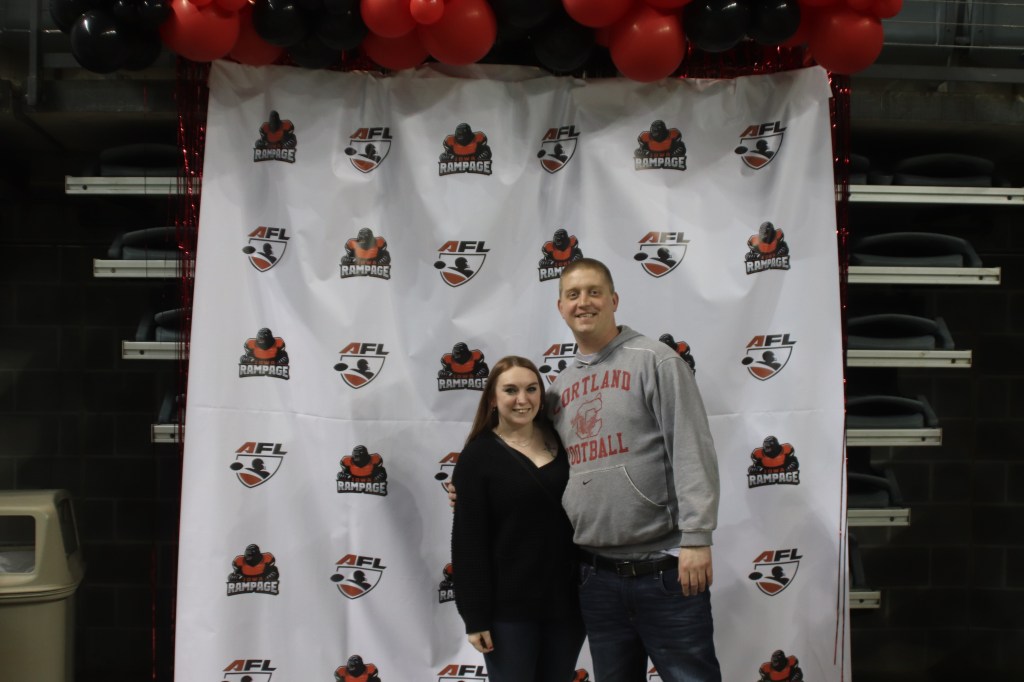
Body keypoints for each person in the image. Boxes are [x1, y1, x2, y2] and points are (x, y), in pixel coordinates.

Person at [550, 258, 722, 682]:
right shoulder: (558, 389)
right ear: (561, 307)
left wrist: (697, 537)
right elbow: (538, 466)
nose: (584, 302)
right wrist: (475, 489)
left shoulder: (655, 361)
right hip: (595, 579)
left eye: (594, 292)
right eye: (573, 294)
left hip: (665, 573)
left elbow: (691, 447)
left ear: (614, 300)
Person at [450, 356, 585, 682]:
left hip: (567, 604)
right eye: (510, 390)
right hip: (508, 611)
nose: (522, 399)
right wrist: (475, 618)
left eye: (531, 389)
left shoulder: (567, 441)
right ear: (492, 399)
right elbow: (469, 544)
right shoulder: (477, 457)